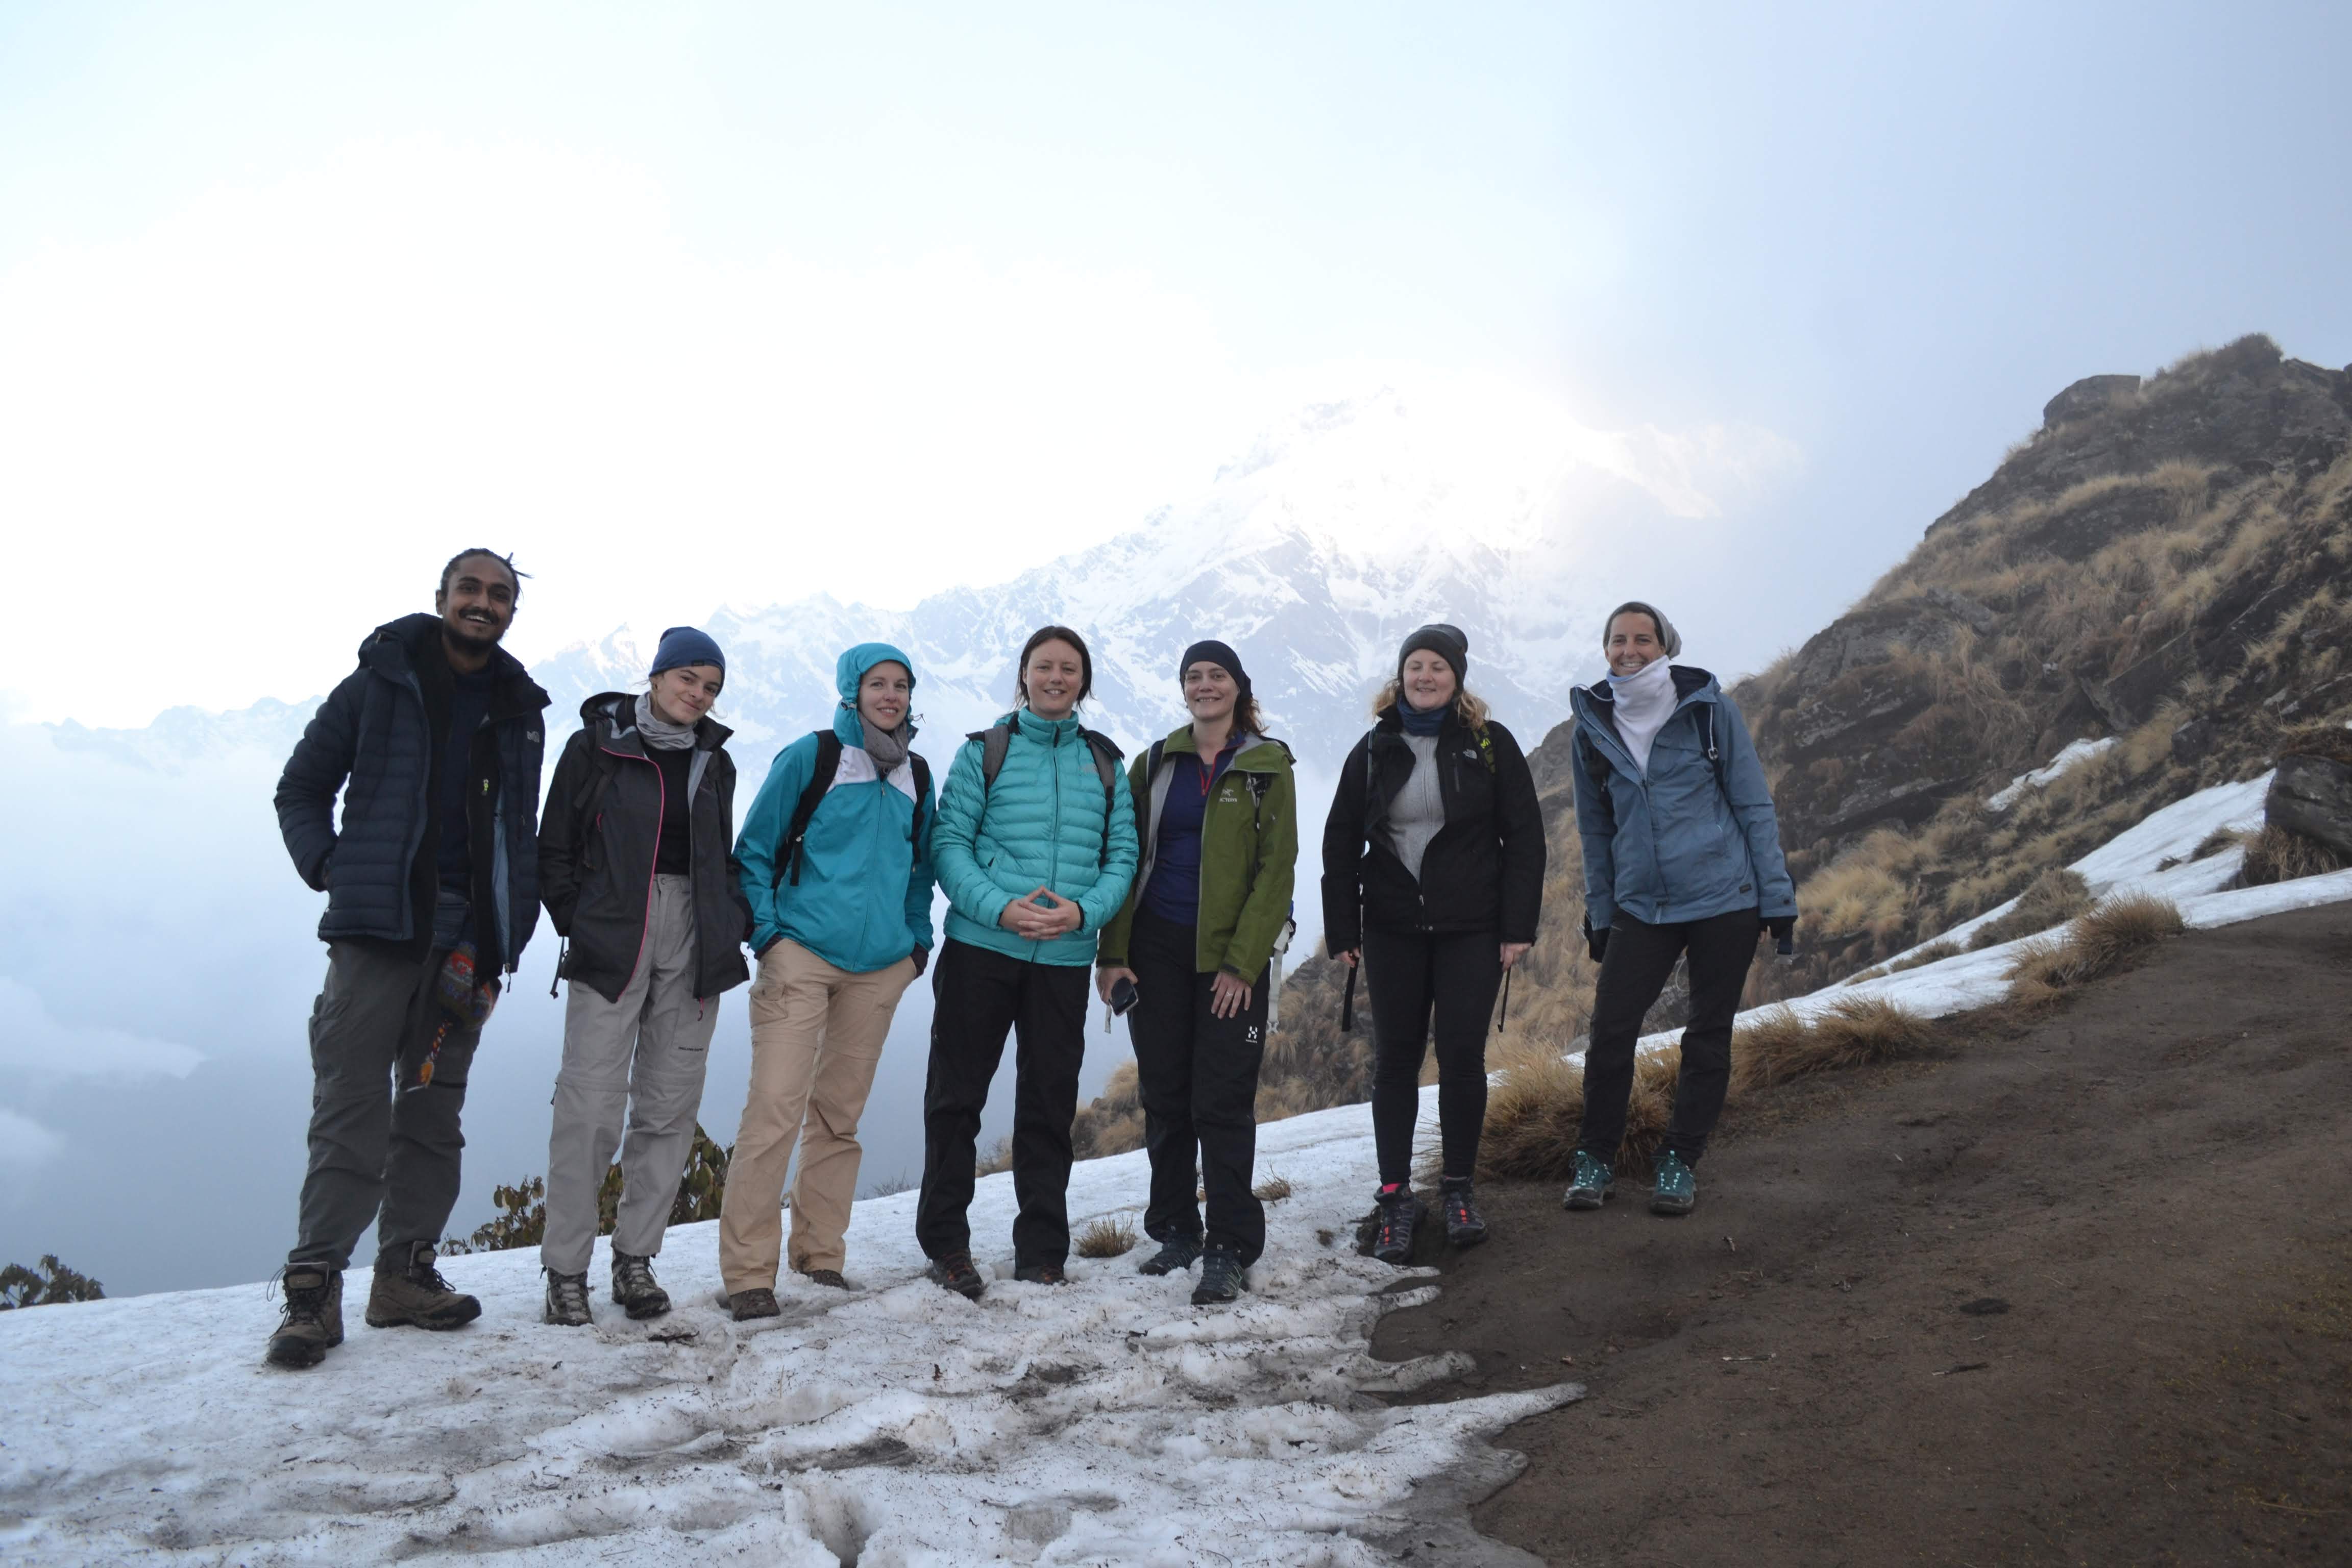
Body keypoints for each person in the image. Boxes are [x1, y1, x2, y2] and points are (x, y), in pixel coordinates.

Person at [266, 549, 549, 1369]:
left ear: (510, 613)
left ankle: (404, 1276)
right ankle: (314, 1294)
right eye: (471, 589)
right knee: (350, 1111)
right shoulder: (376, 687)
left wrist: (502, 949)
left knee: (431, 1115)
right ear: (442, 598)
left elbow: (516, 840)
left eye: (499, 595)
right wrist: (331, 867)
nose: (483, 604)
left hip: (465, 948)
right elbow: (301, 789)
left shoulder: (517, 710)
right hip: (378, 937)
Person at [534, 628, 751, 1327]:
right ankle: (566, 1269)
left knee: (668, 1109)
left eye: (711, 686)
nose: (698, 694)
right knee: (590, 1108)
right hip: (615, 935)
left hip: (696, 935)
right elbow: (554, 848)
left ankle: (635, 1261)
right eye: (688, 678)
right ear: (656, 677)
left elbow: (723, 856)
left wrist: (731, 919)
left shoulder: (715, 763)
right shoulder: (597, 746)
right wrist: (584, 918)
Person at [917, 626, 1139, 1297]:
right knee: (957, 1101)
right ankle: (948, 1247)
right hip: (983, 949)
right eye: (1044, 667)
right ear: (1024, 676)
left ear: (1084, 682)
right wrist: (1001, 909)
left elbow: (1121, 857)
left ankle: (1043, 1250)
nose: (1056, 678)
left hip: (1063, 960)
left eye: (1070, 670)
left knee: (1047, 1107)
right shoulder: (985, 753)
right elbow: (949, 845)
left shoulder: (1104, 764)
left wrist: (1080, 915)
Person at [719, 644, 935, 1320]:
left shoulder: (915, 774)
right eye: (878, 684)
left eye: (901, 686)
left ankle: (821, 1257)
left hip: (879, 969)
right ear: (851, 691)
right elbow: (753, 851)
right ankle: (750, 1273)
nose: (891, 696)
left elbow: (921, 869)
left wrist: (915, 944)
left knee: (838, 1118)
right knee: (775, 1110)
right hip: (802, 956)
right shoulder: (812, 758)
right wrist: (771, 938)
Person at [1563, 601, 1797, 1218]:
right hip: (1642, 905)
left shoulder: (1709, 711)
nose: (1629, 649)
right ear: (1605, 647)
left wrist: (1776, 896)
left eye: (1643, 638)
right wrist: (1602, 913)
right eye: (1618, 639)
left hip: (1725, 900)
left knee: (1708, 1036)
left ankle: (1679, 1160)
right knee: (1611, 1031)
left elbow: (1752, 804)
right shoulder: (1592, 726)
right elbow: (1595, 832)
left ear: (1666, 646)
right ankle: (1595, 1157)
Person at [1322, 623, 1544, 1265]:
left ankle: (1457, 1190)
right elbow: (1340, 843)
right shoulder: (1373, 750)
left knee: (1461, 1057)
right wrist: (1344, 929)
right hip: (1391, 927)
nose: (1425, 677)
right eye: (1414, 667)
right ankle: (1395, 1197)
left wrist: (1517, 926)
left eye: (1437, 669)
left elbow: (1525, 839)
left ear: (1457, 679)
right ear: (1400, 676)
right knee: (1395, 1060)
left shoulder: (1488, 744)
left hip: (1472, 926)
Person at [1096, 641, 1298, 1306]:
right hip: (1155, 952)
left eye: (1217, 676)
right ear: (1184, 689)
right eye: (1194, 677)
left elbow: (1277, 870)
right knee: (1167, 1096)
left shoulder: (1269, 765)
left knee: (1222, 1100)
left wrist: (1243, 964)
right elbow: (1124, 859)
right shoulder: (1155, 763)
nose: (1204, 685)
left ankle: (1230, 1243)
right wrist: (1112, 954)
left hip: (1229, 962)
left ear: (1239, 687)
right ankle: (1176, 1230)